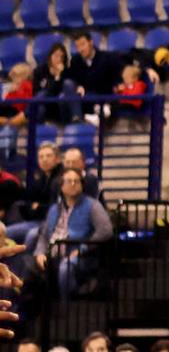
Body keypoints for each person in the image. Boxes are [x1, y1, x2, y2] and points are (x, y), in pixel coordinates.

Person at [33, 167, 112, 300]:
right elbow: (44, 235)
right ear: (61, 186)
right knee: (27, 266)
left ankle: (67, 307)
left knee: (65, 268)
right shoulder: (54, 208)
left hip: (78, 255)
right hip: (51, 253)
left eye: (77, 181)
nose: (73, 184)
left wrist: (83, 248)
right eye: (69, 181)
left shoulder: (92, 205)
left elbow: (106, 230)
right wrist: (40, 253)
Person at [8, 142, 63, 270]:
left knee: (31, 235)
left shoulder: (61, 179)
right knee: (6, 232)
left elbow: (54, 209)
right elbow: (27, 205)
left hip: (50, 224)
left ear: (57, 158)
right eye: (41, 156)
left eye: (48, 156)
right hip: (35, 221)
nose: (44, 159)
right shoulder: (40, 180)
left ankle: (24, 275)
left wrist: (37, 207)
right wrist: (37, 208)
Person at [67, 33, 124, 107]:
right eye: (77, 46)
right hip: (84, 98)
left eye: (82, 44)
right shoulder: (75, 61)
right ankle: (77, 118)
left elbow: (118, 74)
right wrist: (78, 86)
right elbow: (72, 77)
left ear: (91, 42)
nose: (80, 49)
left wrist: (117, 84)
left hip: (104, 97)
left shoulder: (106, 58)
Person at [33, 42, 82, 125]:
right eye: (56, 55)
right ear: (50, 56)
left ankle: (77, 117)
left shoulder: (66, 72)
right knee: (41, 95)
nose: (59, 59)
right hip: (46, 104)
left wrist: (59, 75)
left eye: (62, 57)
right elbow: (39, 92)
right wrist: (57, 78)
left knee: (68, 84)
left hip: (61, 107)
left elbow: (66, 90)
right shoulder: (40, 71)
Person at [0, 63, 32, 158]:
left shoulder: (27, 86)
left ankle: (10, 153)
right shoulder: (12, 90)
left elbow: (26, 102)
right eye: (13, 77)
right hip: (11, 112)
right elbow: (6, 103)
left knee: (12, 128)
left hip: (20, 114)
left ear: (23, 77)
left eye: (16, 77)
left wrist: (17, 90)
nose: (14, 80)